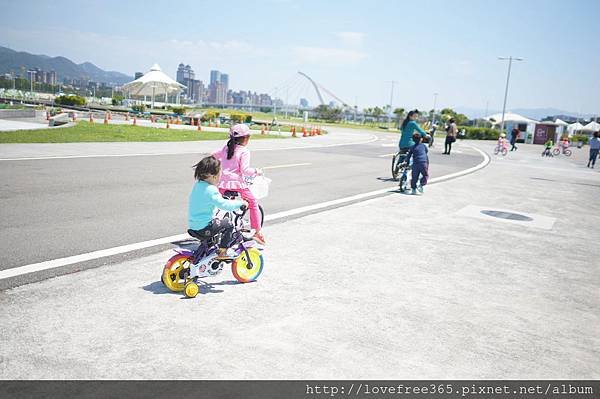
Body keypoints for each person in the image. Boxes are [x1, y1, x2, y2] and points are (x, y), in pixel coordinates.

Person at [212, 124, 266, 245]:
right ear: (246, 138)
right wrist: (257, 171)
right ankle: (258, 232)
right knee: (253, 204)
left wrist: (222, 163)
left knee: (217, 205)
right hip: (237, 184)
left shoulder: (226, 148)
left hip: (223, 183)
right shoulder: (244, 151)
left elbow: (213, 155)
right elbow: (245, 170)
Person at [188, 155, 248, 259]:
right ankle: (222, 252)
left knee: (216, 220)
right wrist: (240, 203)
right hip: (204, 227)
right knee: (228, 224)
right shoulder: (211, 189)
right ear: (212, 176)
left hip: (193, 224)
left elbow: (205, 201)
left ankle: (208, 249)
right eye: (220, 173)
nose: (220, 176)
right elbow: (224, 205)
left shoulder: (198, 185)